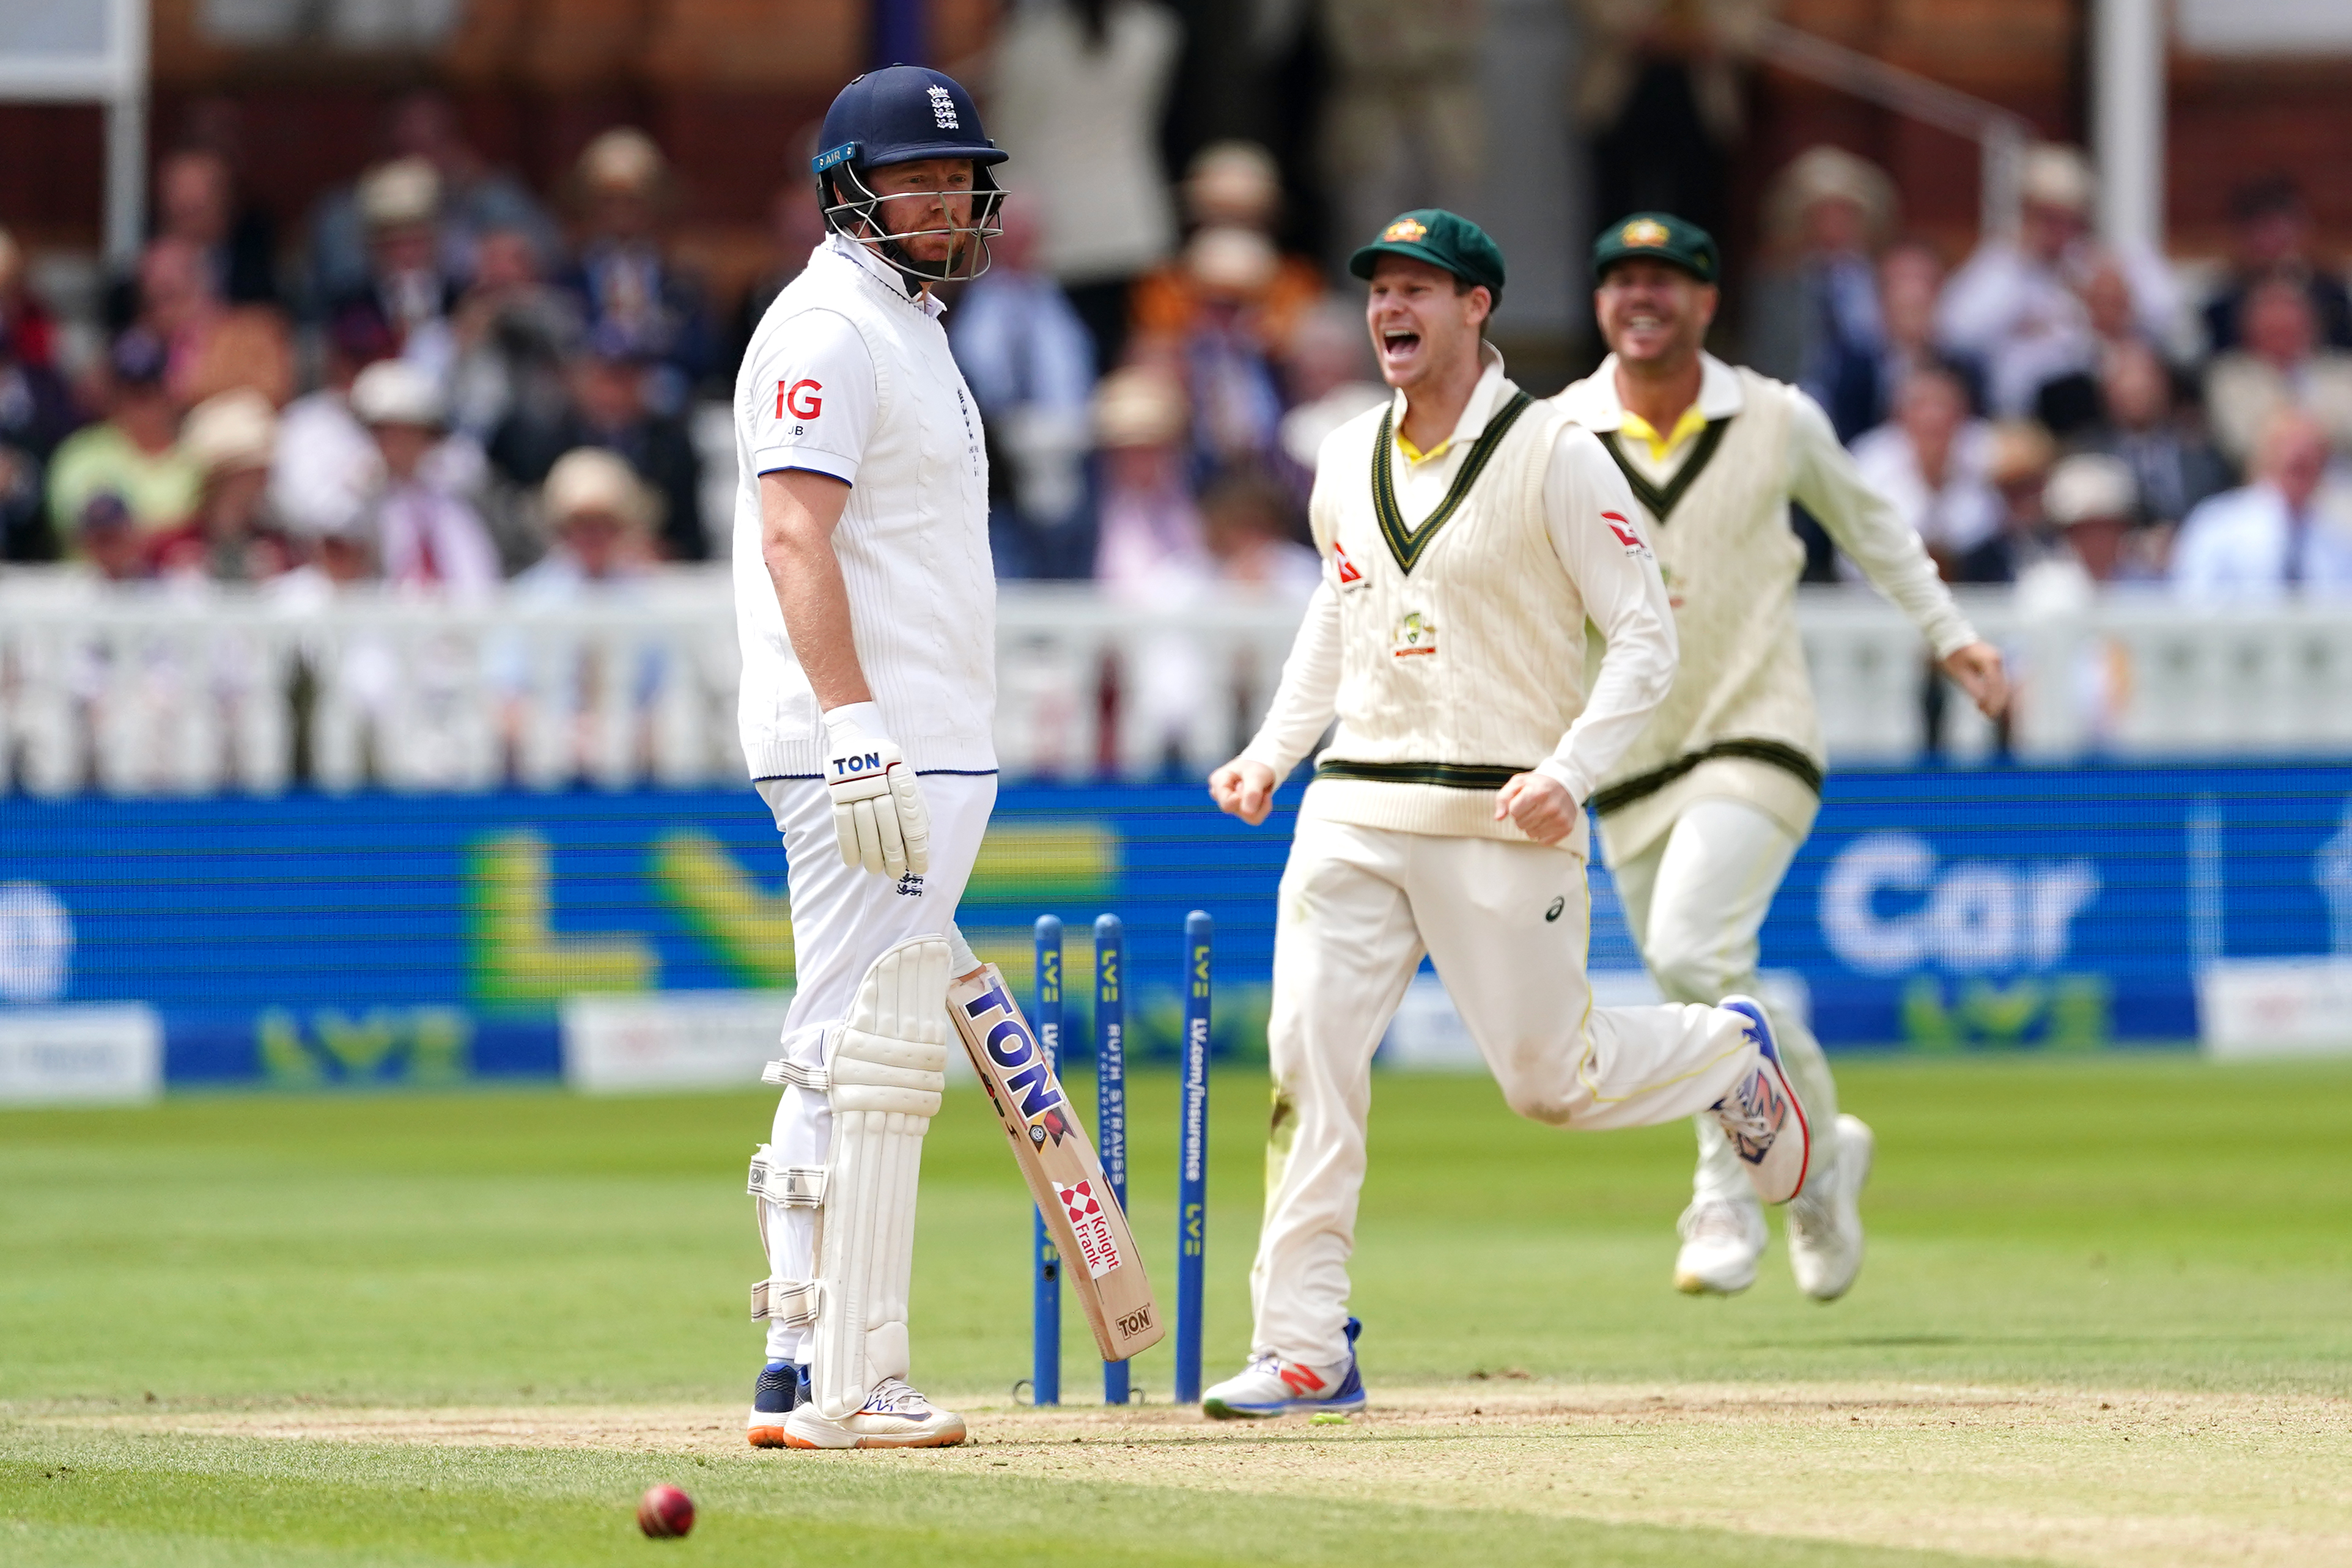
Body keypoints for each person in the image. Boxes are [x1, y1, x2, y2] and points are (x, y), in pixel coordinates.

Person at [1201, 210, 1812, 1419]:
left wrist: (1571, 770)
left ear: (1476, 308)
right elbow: (1342, 605)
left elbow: (1646, 635)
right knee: (1306, 1063)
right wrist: (1274, 751)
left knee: (1552, 1083)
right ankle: (1305, 1340)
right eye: (1379, 286)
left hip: (1502, 814)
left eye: (1419, 288)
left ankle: (1726, 1050)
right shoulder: (1338, 454)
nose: (1391, 307)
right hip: (1355, 808)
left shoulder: (1558, 451)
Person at [1553, 212, 2007, 1302]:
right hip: (1626, 757)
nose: (1640, 298)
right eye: (1620, 281)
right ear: (1599, 303)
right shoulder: (1557, 432)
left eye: (1664, 280)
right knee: (1693, 976)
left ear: (1707, 303)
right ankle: (1814, 1171)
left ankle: (1720, 1193)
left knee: (1690, 948)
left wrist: (1950, 635)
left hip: (1757, 728)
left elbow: (1873, 528)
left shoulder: (1774, 419)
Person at [732, 64, 1009, 1451]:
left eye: (960, 177)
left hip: (917, 738)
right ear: (850, 189)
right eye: (919, 176)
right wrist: (851, 724)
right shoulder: (827, 327)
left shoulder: (908, 322)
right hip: (872, 741)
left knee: (848, 1041)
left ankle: (800, 1361)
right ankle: (845, 1372)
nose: (947, 197)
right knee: (855, 1047)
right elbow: (794, 531)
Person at [985, 0, 1182, 370]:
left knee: (1064, 361)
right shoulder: (1154, 32)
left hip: (1057, 224)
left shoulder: (1033, 39)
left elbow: (1010, 132)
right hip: (1131, 215)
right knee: (1121, 357)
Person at [1935, 145, 2177, 419]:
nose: (2062, 230)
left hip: (2094, 410)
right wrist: (2020, 274)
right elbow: (1956, 333)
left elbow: (2167, 311)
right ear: (2027, 213)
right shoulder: (2001, 265)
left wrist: (2112, 288)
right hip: (2019, 417)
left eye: (2072, 219)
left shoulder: (2097, 257)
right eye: (2050, 218)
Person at [946, 193, 1098, 579]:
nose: (1018, 245)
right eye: (1009, 235)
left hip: (1062, 450)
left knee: (1066, 568)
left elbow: (1076, 368)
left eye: (1026, 236)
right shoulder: (963, 299)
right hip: (996, 459)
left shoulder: (1057, 298)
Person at [1746, 146, 1898, 443]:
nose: (1834, 225)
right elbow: (1766, 359)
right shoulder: (1779, 284)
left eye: (1845, 213)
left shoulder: (1881, 279)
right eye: (1824, 215)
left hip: (1875, 414)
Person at [350, 359, 499, 597]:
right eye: (389, 433)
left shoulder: (454, 503)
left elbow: (478, 581)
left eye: (412, 433)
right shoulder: (356, 505)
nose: (400, 445)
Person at [2171, 410, 2352, 599]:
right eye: (2287, 445)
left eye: (2310, 455)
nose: (2298, 453)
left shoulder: (2337, 543)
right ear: (2266, 454)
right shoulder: (2217, 526)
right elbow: (2192, 604)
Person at [46, 329, 201, 547]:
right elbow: (92, 534)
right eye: (127, 392)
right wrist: (176, 534)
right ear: (111, 394)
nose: (139, 404)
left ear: (169, 392)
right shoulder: (81, 454)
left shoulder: (197, 455)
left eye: (149, 391)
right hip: (93, 581)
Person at [2202, 274, 2352, 469]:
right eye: (2273, 332)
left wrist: (2283, 431)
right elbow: (2241, 441)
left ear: (2311, 329)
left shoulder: (2342, 372)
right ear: (2250, 333)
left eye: (2290, 330)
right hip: (2264, 487)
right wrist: (2321, 430)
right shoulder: (2230, 377)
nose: (2283, 341)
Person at [150, 389, 299, 583]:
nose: (263, 481)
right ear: (223, 478)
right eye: (253, 472)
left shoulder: (283, 549)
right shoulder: (171, 548)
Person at [2201, 175, 2352, 356]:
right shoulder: (2222, 304)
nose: (2272, 241)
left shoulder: (2332, 296)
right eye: (2262, 231)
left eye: (2281, 229)